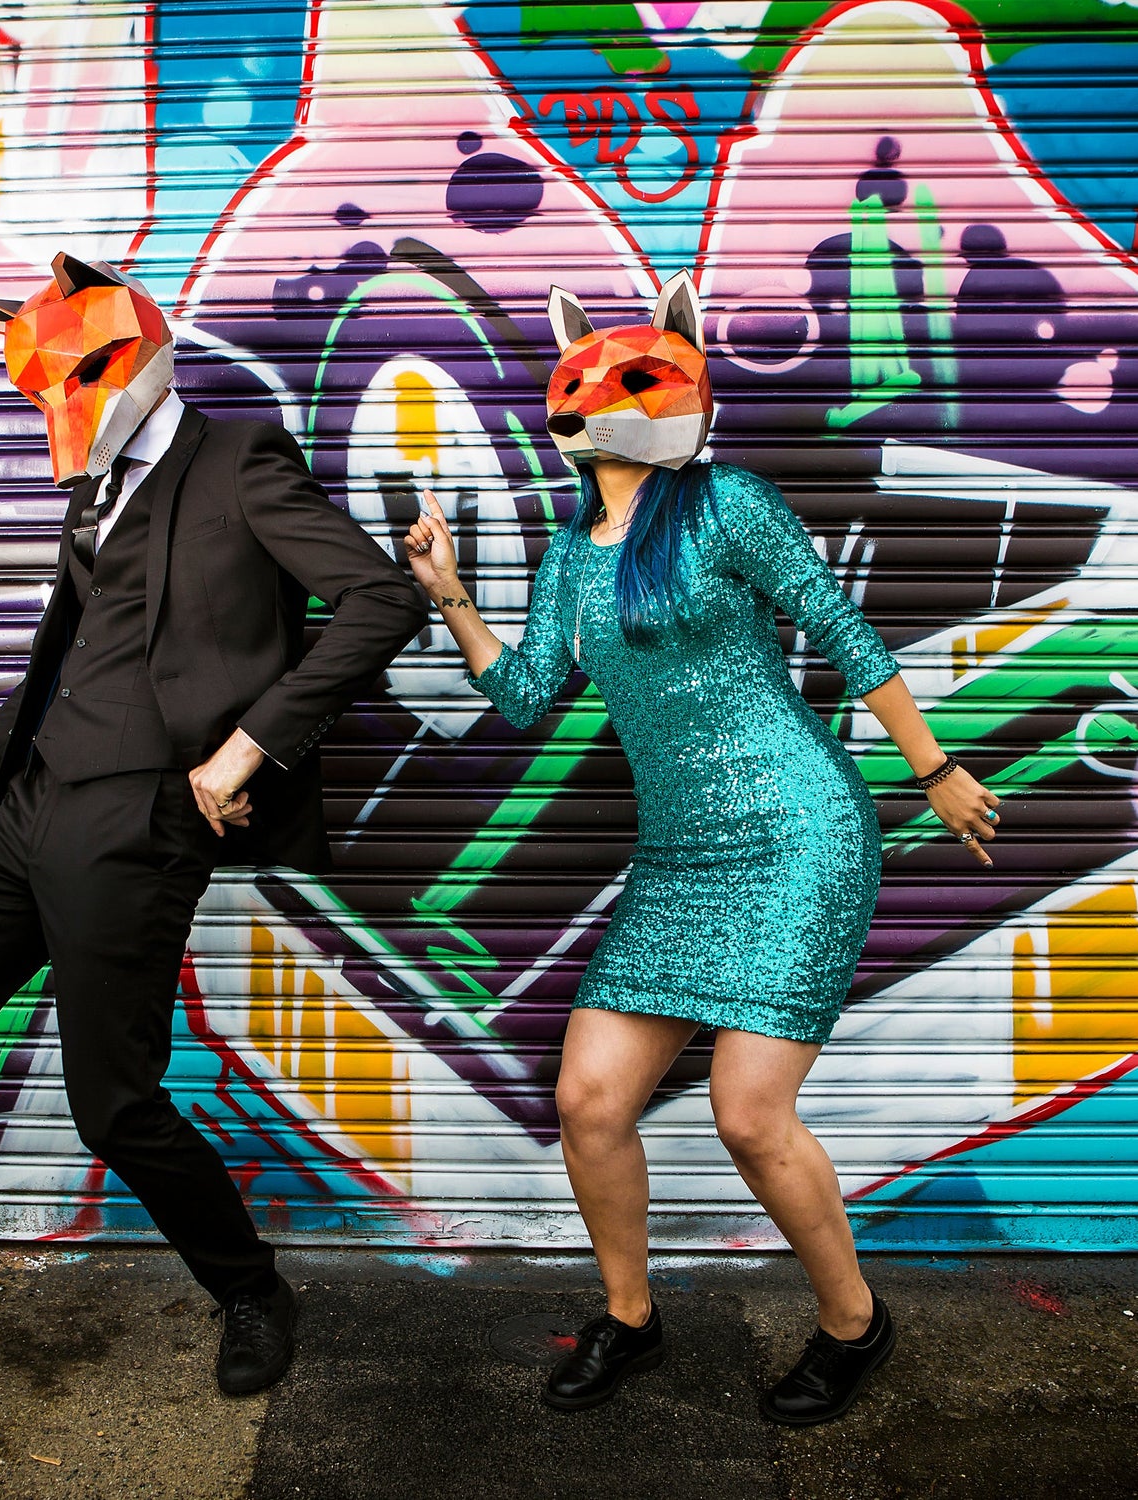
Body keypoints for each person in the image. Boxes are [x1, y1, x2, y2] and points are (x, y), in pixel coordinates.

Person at [0, 253, 427, 1406]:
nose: (53, 407)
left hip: (141, 815)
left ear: (138, 350)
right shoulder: (94, 487)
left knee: (111, 1103)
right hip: (29, 811)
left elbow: (381, 600)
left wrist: (244, 750)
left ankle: (252, 1289)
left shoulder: (239, 459)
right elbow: (60, 672)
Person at [403, 271, 1001, 1425]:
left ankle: (852, 1325)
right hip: (682, 859)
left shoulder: (728, 503)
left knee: (747, 1114)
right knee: (588, 1100)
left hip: (796, 835)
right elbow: (527, 696)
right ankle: (629, 1317)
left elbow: (841, 628)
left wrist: (932, 769)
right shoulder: (571, 553)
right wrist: (451, 595)